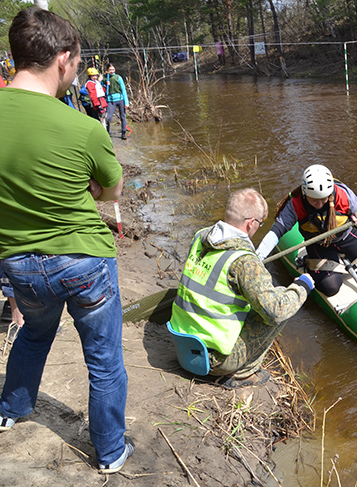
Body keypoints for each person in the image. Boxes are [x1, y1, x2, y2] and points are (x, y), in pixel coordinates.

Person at [0, 7, 133, 474]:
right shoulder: (83, 127)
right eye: (76, 64)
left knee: (34, 333)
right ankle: (111, 451)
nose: (75, 73)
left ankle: (12, 409)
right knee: (104, 360)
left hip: (18, 266)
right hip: (83, 262)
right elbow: (112, 190)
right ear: (62, 59)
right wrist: (89, 187)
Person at [170, 188, 314, 388]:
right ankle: (244, 372)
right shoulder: (245, 261)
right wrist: (302, 286)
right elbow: (276, 311)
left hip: (182, 345)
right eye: (260, 224)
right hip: (213, 362)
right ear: (251, 224)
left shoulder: (200, 236)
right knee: (282, 300)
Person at [256, 164, 357, 297]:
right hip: (319, 244)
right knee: (331, 287)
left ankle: (340, 257)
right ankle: (308, 263)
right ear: (305, 193)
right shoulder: (295, 204)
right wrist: (257, 258)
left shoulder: (342, 194)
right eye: (314, 200)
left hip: (345, 237)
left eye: (323, 200)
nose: (319, 205)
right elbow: (275, 232)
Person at [103, 63, 128, 140]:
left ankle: (123, 133)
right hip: (110, 100)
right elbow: (100, 87)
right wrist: (105, 84)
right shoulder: (104, 78)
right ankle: (107, 132)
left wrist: (126, 102)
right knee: (108, 118)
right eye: (110, 70)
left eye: (113, 69)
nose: (112, 71)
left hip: (120, 99)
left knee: (123, 116)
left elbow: (123, 90)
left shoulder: (118, 77)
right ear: (107, 70)